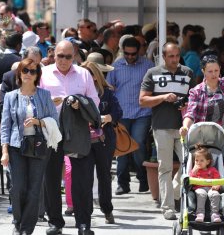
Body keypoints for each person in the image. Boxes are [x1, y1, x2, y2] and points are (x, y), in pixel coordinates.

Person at [180, 35, 224, 231]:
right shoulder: (196, 91)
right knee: (202, 184)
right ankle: (204, 218)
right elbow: (191, 112)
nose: (214, 75)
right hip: (204, 146)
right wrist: (185, 126)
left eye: (217, 71)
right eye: (210, 71)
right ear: (203, 72)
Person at [39, 40, 99, 235]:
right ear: (53, 55)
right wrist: (50, 103)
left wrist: (79, 105)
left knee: (82, 178)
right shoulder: (44, 73)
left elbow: (94, 103)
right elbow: (35, 100)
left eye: (68, 56)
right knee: (51, 178)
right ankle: (55, 222)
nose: (63, 60)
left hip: (78, 131)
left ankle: (83, 223)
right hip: (52, 130)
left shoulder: (84, 74)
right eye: (60, 56)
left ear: (74, 57)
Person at [1, 58, 59, 235]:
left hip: (39, 146)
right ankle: (18, 222)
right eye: (25, 70)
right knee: (17, 187)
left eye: (33, 71)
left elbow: (54, 120)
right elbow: (5, 126)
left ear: (37, 76)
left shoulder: (44, 95)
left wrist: (38, 122)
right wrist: (4, 151)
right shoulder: (11, 96)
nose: (28, 74)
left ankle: (26, 228)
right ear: (19, 73)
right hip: (16, 147)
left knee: (34, 188)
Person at [140, 42, 194, 220]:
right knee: (165, 168)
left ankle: (175, 194)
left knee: (189, 163)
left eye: (177, 55)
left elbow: (194, 97)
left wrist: (186, 104)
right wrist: (163, 97)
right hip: (161, 126)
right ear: (163, 56)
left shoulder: (187, 73)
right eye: (171, 56)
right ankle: (168, 207)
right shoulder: (153, 73)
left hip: (183, 126)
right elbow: (143, 100)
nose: (174, 59)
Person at [107, 37, 154, 195]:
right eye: (127, 53)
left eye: (133, 54)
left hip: (142, 112)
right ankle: (123, 183)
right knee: (122, 147)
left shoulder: (148, 65)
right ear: (122, 51)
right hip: (123, 113)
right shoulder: (116, 66)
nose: (130, 57)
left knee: (138, 144)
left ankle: (143, 179)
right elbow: (110, 89)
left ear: (139, 51)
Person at [80, 61, 122, 225]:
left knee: (104, 175)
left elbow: (118, 112)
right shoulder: (78, 92)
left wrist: (108, 117)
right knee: (85, 176)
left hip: (105, 138)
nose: (86, 77)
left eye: (89, 73)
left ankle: (107, 209)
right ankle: (87, 212)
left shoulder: (106, 93)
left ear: (96, 76)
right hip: (84, 139)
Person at [190, 145, 222, 223]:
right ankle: (200, 213)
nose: (198, 163)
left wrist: (217, 185)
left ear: (207, 162)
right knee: (201, 194)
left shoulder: (213, 170)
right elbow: (189, 179)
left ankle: (214, 214)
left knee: (215, 194)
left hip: (211, 188)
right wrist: (194, 171)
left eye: (201, 160)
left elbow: (218, 180)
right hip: (199, 188)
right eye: (196, 160)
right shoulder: (195, 171)